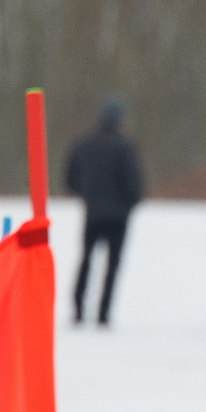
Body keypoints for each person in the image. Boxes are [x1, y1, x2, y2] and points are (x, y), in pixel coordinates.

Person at [63, 97, 144, 327]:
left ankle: (78, 308)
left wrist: (88, 196)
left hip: (93, 212)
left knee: (86, 259)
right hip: (119, 216)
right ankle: (103, 312)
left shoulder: (84, 143)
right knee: (112, 265)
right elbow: (134, 182)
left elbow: (70, 178)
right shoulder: (126, 146)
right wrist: (130, 203)